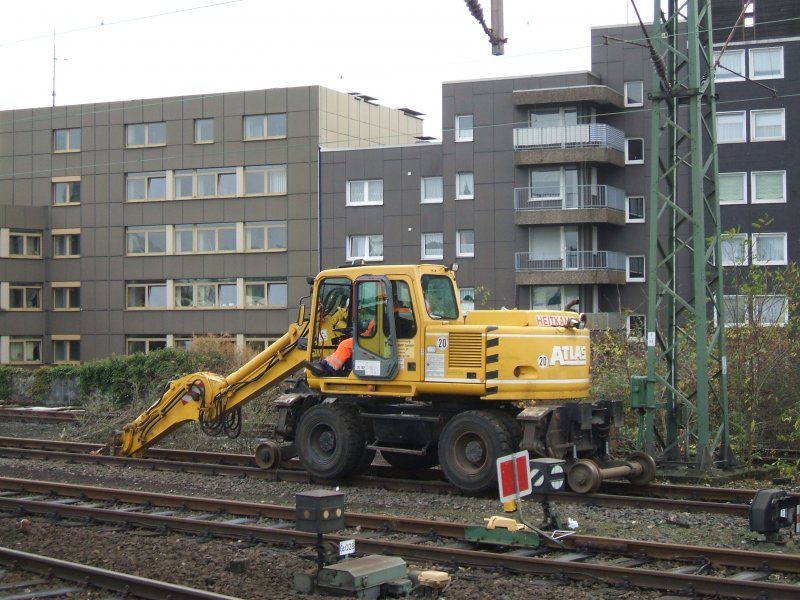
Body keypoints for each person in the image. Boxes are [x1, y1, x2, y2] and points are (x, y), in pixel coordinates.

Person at [305, 318, 375, 377]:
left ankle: (329, 370)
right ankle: (325, 365)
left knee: (346, 345)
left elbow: (370, 331)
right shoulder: (379, 315)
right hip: (373, 343)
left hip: (373, 345)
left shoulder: (377, 319)